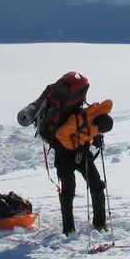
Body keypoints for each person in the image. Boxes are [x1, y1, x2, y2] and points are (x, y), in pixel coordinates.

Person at [18, 71, 114, 236]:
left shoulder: (81, 117)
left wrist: (89, 139)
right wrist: (80, 144)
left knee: (71, 191)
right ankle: (94, 225)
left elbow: (79, 133)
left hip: (65, 155)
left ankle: (71, 228)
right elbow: (65, 135)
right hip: (74, 153)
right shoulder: (80, 117)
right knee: (92, 187)